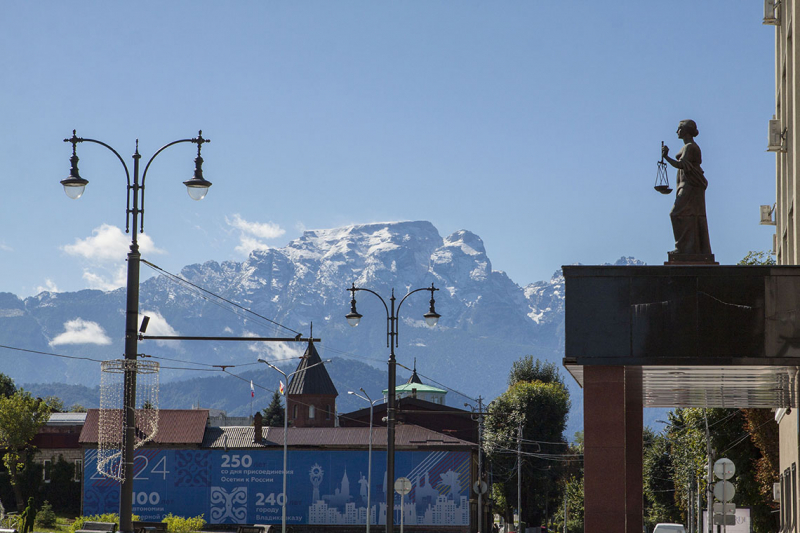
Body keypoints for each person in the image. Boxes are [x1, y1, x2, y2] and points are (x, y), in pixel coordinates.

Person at [661, 119, 712, 256]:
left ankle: (682, 248)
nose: (677, 131)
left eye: (679, 128)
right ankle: (689, 249)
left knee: (676, 213)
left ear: (686, 130)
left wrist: (666, 157)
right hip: (687, 185)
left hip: (690, 185)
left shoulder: (690, 147)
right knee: (689, 216)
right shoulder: (688, 147)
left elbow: (681, 165)